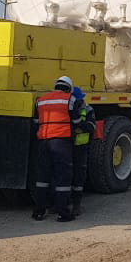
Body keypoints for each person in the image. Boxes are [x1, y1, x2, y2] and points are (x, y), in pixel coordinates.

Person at [33, 76, 80, 222]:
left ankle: (39, 211)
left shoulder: (41, 100)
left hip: (43, 141)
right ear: (68, 88)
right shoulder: (70, 100)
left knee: (42, 177)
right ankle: (63, 213)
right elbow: (76, 120)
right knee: (63, 177)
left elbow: (35, 121)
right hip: (61, 141)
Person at [70, 86, 96, 217]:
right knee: (64, 175)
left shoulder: (88, 109)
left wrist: (79, 125)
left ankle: (76, 205)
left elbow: (91, 127)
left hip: (81, 147)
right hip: (68, 146)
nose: (82, 100)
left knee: (79, 176)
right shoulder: (68, 109)